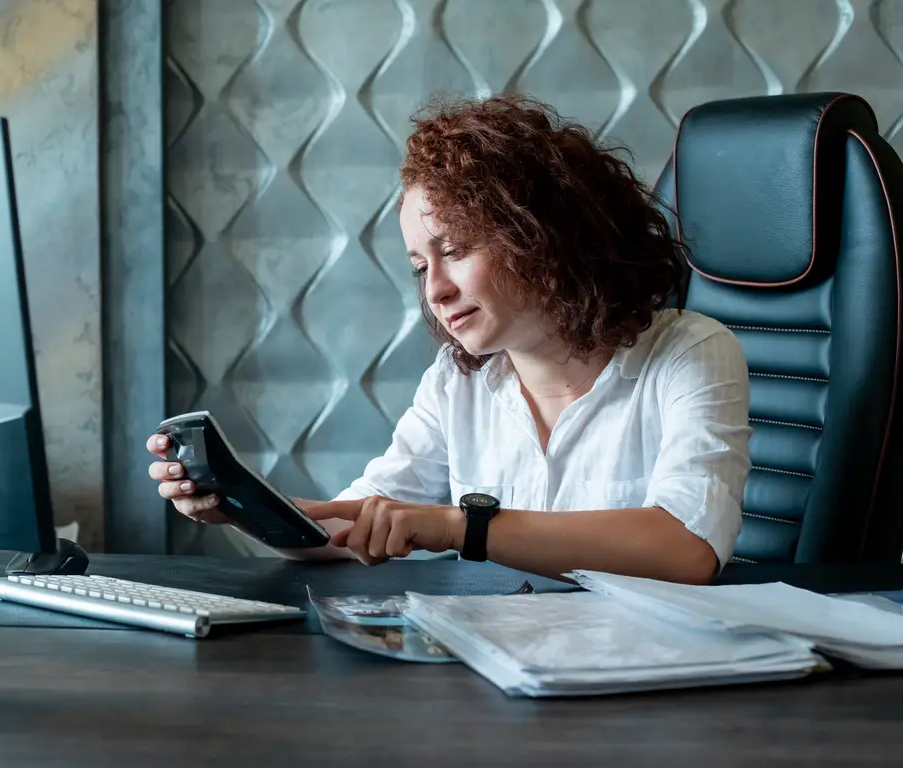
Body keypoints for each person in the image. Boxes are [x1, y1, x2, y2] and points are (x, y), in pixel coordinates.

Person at [147, 92, 751, 585]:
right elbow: (357, 526)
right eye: (419, 266)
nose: (434, 290)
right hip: (493, 669)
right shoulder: (456, 382)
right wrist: (239, 506)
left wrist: (461, 527)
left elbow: (687, 547)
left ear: (543, 236)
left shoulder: (690, 352)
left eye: (455, 251)